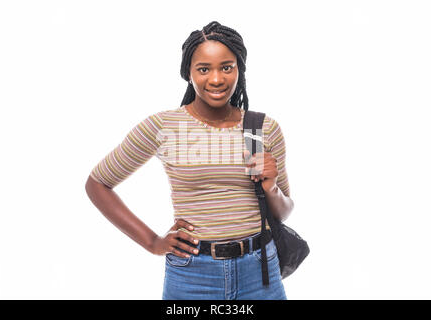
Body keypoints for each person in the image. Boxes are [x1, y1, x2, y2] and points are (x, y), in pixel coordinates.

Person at [85, 21, 294, 300]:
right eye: (204, 69)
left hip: (259, 272)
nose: (217, 79)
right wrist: (152, 242)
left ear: (239, 69)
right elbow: (98, 183)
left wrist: (271, 187)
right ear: (188, 73)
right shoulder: (164, 126)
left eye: (227, 67)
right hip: (193, 273)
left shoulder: (261, 128)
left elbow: (284, 212)